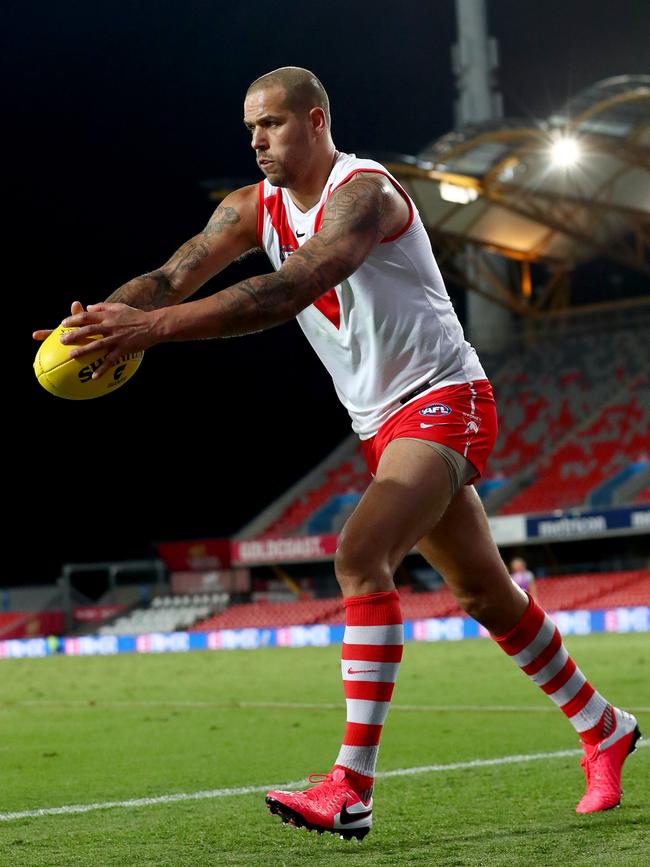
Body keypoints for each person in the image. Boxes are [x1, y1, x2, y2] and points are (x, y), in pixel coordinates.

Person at [33, 67, 640, 841]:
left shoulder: (367, 193)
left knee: (360, 555)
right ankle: (604, 726)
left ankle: (351, 787)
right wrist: (103, 321)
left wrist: (150, 333)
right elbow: (168, 277)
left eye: (274, 124)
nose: (257, 140)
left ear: (315, 122)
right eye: (251, 127)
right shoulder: (250, 208)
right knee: (486, 593)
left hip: (445, 398)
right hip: (378, 424)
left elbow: (290, 289)